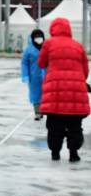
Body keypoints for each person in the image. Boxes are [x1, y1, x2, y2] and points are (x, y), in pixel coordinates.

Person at [38, 17, 89, 162]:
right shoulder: (78, 46)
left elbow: (41, 63)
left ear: (52, 30)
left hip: (55, 91)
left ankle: (55, 153)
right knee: (75, 125)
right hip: (76, 91)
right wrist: (77, 81)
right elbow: (85, 70)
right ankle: (74, 153)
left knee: (54, 124)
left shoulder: (48, 44)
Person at [21, 29, 46, 120]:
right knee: (35, 94)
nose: (38, 38)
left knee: (46, 94)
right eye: (36, 37)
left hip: (47, 75)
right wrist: (25, 75)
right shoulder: (28, 50)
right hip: (34, 76)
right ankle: (37, 112)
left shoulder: (47, 47)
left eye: (40, 36)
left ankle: (44, 110)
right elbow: (24, 63)